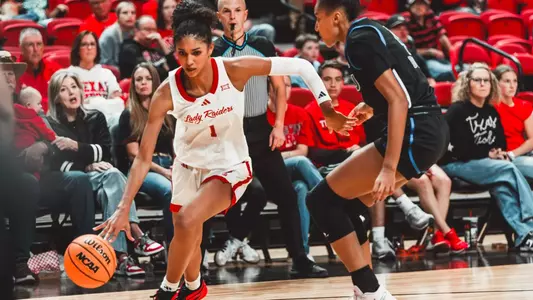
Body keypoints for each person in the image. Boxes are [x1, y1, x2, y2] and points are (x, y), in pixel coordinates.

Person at [95, 1, 352, 299]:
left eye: (196, 53)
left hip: (230, 163)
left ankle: (167, 289)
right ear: (174, 51)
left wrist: (326, 107)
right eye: (182, 54)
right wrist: (123, 207)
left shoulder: (235, 70)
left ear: (209, 48)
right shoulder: (166, 92)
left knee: (191, 219)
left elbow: (302, 66)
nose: (189, 62)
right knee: (184, 228)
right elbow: (142, 158)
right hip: (188, 165)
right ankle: (193, 287)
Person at [309, 0, 449, 298]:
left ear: (336, 17)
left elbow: (399, 100)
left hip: (416, 131)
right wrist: (371, 106)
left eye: (317, 18)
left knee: (320, 200)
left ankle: (371, 290)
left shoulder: (358, 40)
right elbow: (403, 86)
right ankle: (365, 290)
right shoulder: (372, 29)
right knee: (347, 205)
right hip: (429, 129)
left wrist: (388, 167)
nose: (315, 26)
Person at [212, 0, 327, 278]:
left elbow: (277, 86)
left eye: (237, 10)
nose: (232, 16)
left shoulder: (262, 44)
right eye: (226, 11)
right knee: (247, 193)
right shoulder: (214, 51)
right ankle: (233, 241)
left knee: (287, 195)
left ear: (245, 15)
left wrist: (278, 125)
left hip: (262, 129)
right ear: (219, 16)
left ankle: (300, 258)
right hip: (231, 132)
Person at [47, 71, 164, 276]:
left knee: (113, 179)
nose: (71, 92)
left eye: (74, 87)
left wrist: (75, 147)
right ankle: (136, 234)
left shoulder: (96, 117)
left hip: (102, 185)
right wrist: (87, 164)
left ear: (81, 91)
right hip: (75, 186)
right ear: (57, 97)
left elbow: (105, 153)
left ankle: (121, 258)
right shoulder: (52, 124)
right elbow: (58, 163)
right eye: (64, 90)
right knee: (114, 175)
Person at [442, 63, 533, 253]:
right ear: (468, 84)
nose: (483, 84)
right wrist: (487, 154)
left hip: (482, 165)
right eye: (477, 80)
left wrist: (497, 153)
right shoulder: (457, 111)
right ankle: (531, 215)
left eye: (486, 81)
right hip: (456, 164)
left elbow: (498, 142)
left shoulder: (491, 111)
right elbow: (459, 149)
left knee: (502, 187)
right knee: (508, 169)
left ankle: (524, 236)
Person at [117, 62, 175, 242]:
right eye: (139, 79)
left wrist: (178, 167)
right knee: (171, 191)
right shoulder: (129, 114)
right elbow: (135, 155)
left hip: (169, 165)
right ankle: (175, 248)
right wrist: (165, 172)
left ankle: (197, 246)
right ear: (133, 85)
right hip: (143, 170)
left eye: (148, 79)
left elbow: (176, 147)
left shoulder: (167, 112)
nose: (143, 83)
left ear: (155, 82)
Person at [67, 31, 123, 126]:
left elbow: (119, 103)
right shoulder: (68, 75)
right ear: (77, 49)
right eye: (84, 44)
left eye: (92, 44)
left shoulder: (107, 74)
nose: (89, 48)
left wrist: (93, 103)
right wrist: (103, 104)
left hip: (108, 121)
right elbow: (71, 107)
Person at [493, 65, 533, 181]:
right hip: (506, 158)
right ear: (497, 84)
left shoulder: (524, 106)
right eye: (507, 81)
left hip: (521, 153)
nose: (512, 86)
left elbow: (532, 139)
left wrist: (513, 154)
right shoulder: (490, 108)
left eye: (514, 81)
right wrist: (510, 155)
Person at [118, 15, 179, 80]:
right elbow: (148, 74)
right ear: (136, 31)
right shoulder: (129, 49)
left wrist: (162, 44)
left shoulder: (155, 48)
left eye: (154, 30)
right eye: (148, 29)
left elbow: (176, 70)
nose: (152, 33)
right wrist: (165, 69)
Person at [18, 28, 62, 112]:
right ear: (21, 48)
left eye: (39, 44)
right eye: (30, 45)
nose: (36, 49)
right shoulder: (13, 73)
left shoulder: (55, 70)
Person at [99, 1, 136, 67]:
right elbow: (105, 63)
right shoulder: (109, 35)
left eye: (133, 13)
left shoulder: (136, 31)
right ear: (117, 15)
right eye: (125, 13)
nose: (130, 16)